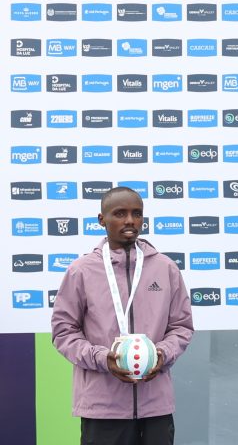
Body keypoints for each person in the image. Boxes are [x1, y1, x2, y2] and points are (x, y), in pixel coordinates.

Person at [51, 187, 194, 445]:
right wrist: (103, 358)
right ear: (101, 220)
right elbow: (64, 332)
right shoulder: (81, 271)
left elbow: (181, 327)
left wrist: (161, 354)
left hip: (156, 407)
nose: (130, 220)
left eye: (136, 214)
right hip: (102, 407)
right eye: (120, 213)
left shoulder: (166, 268)